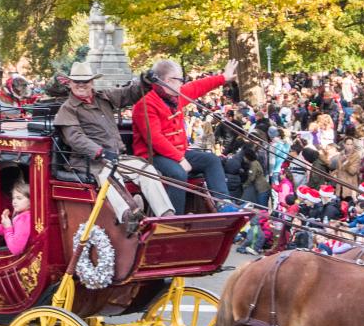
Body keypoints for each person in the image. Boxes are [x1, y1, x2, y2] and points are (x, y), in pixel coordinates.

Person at [53, 61, 174, 229]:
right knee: (110, 176)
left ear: (92, 82)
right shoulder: (67, 109)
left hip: (116, 157)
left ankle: (166, 217)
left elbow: (129, 94)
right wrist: (99, 152)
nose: (81, 85)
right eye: (77, 82)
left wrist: (144, 82)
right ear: (70, 84)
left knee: (147, 170)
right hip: (89, 162)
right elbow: (75, 138)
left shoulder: (104, 97)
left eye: (85, 81)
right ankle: (128, 217)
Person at [132, 59, 237, 214]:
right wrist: (180, 159)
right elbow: (155, 139)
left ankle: (223, 204)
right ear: (167, 81)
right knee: (178, 173)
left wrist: (223, 78)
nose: (182, 84)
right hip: (153, 155)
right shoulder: (145, 105)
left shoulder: (175, 96)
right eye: (180, 80)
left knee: (211, 160)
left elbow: (197, 87)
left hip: (177, 152)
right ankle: (175, 219)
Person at [0, 179, 32, 254]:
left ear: (30, 201)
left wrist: (8, 226)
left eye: (19, 198)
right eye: (13, 198)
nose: (14, 201)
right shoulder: (22, 215)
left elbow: (16, 249)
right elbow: (12, 231)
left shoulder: (24, 219)